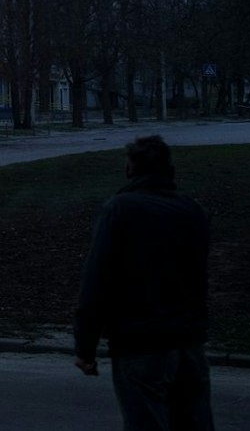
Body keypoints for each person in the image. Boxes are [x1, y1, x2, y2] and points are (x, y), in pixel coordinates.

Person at [73, 134, 214, 431]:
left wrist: (85, 347)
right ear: (170, 172)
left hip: (141, 345)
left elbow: (96, 281)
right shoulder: (192, 210)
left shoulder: (120, 210)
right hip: (189, 344)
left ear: (129, 170)